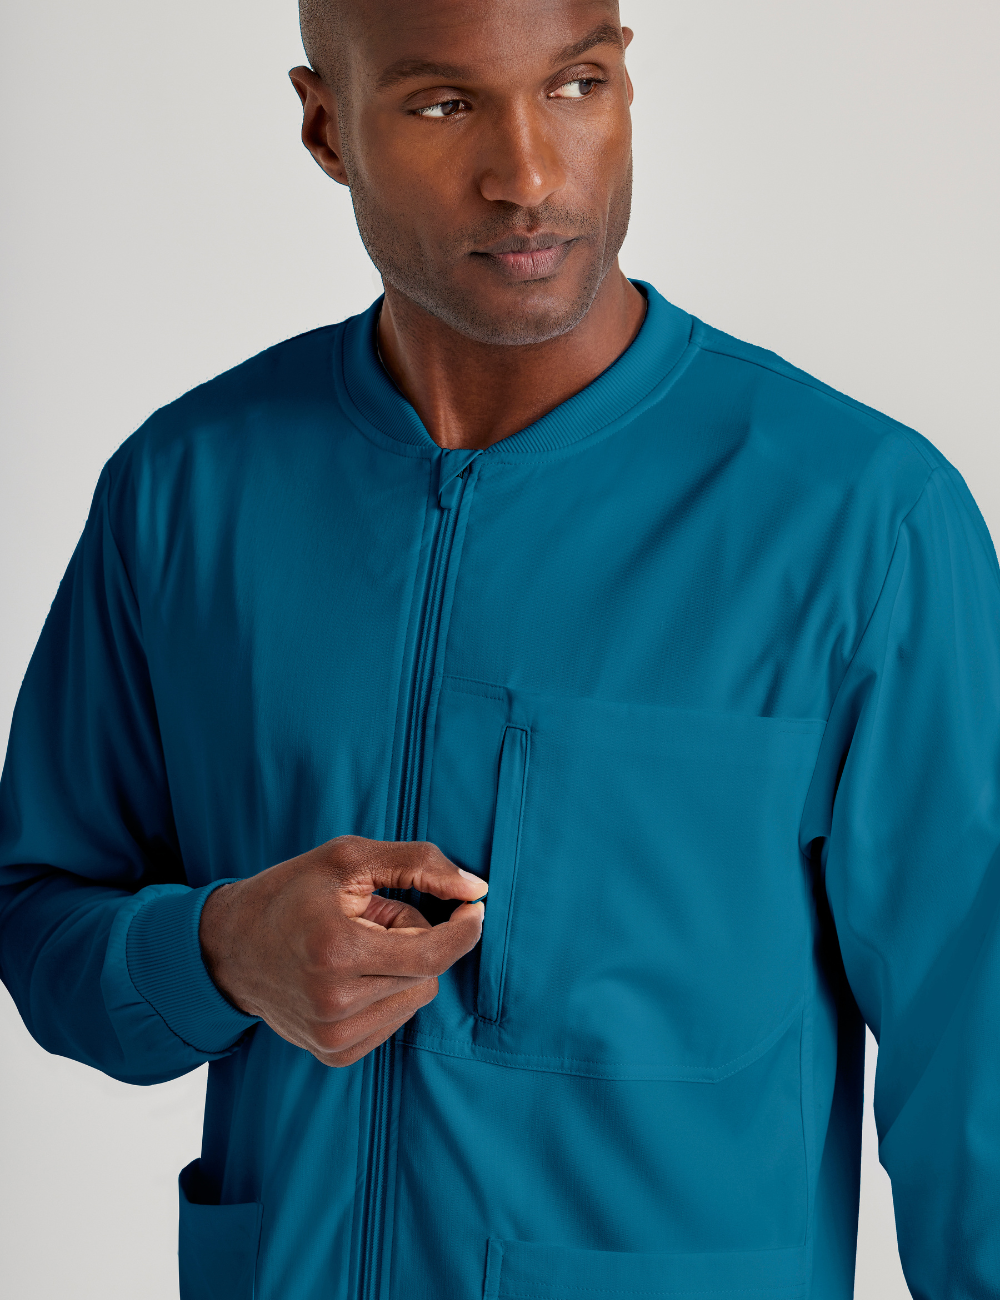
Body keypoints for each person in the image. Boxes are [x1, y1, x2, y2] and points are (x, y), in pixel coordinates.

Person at [1, 0, 997, 1296]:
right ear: (326, 127)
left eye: (575, 85)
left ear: (626, 81)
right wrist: (222, 950)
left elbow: (978, 1066)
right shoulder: (186, 491)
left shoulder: (860, 521)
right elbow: (42, 915)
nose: (528, 176)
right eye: (443, 103)